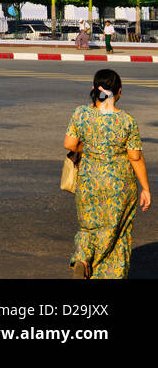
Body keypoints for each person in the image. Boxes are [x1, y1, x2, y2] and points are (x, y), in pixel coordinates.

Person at [64, 69, 151, 278]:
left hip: (88, 182)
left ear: (94, 90)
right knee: (118, 232)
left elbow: (69, 144)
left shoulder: (80, 113)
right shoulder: (127, 121)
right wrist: (146, 188)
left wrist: (91, 147)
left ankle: (83, 259)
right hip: (119, 186)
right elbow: (135, 158)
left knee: (88, 227)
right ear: (118, 92)